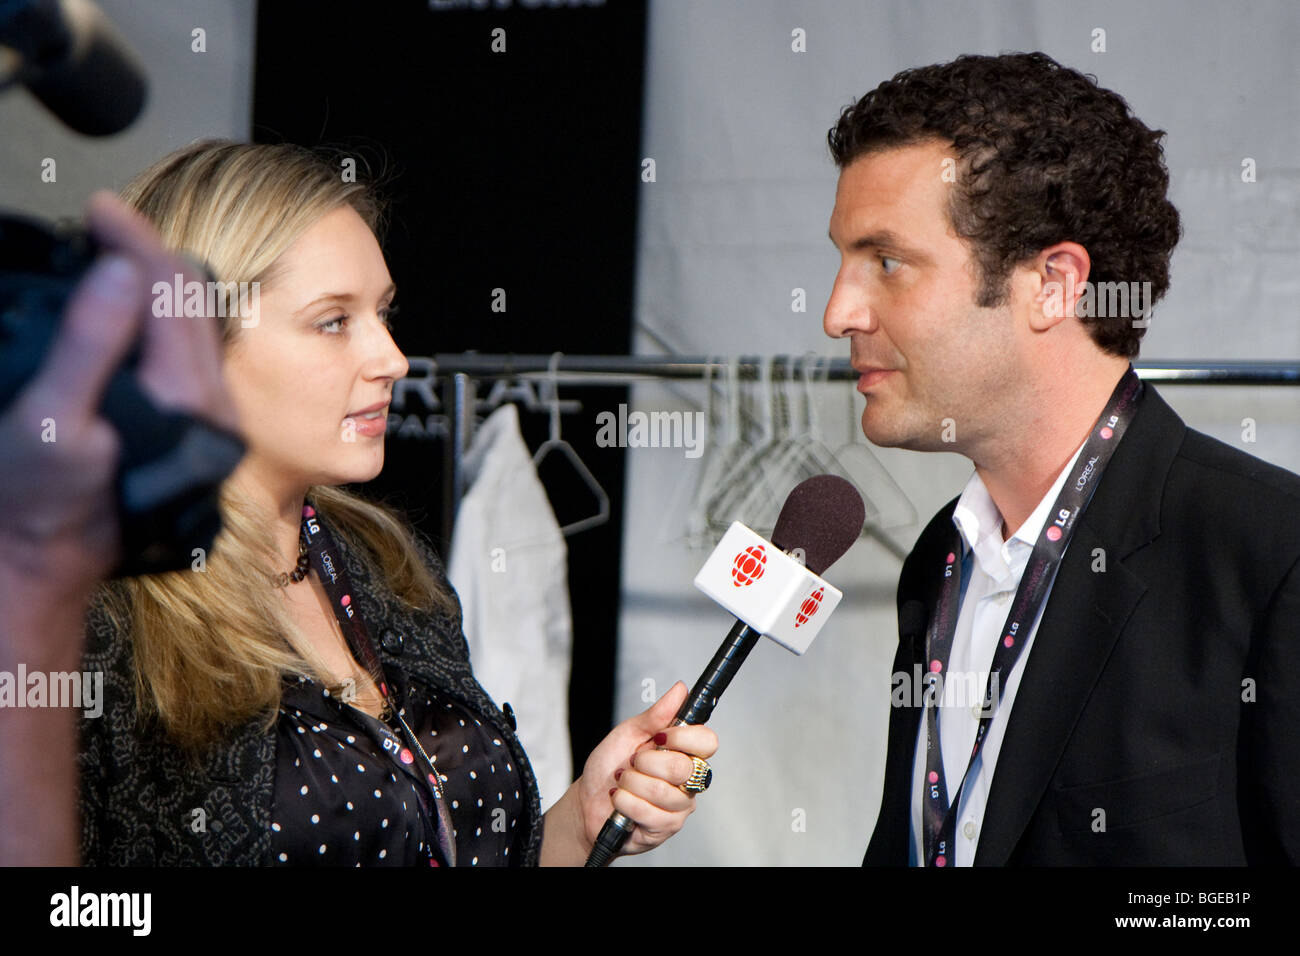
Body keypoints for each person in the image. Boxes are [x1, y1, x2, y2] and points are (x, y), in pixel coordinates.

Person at [0, 139, 717, 867]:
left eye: (383, 312)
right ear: (189, 340)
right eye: (334, 321)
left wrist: (579, 824)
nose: (393, 359)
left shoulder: (385, 567)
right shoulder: (93, 611)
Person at [822, 52, 1300, 865]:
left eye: (888, 263)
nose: (839, 312)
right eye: (842, 262)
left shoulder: (1269, 555)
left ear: (1053, 283)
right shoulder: (941, 559)